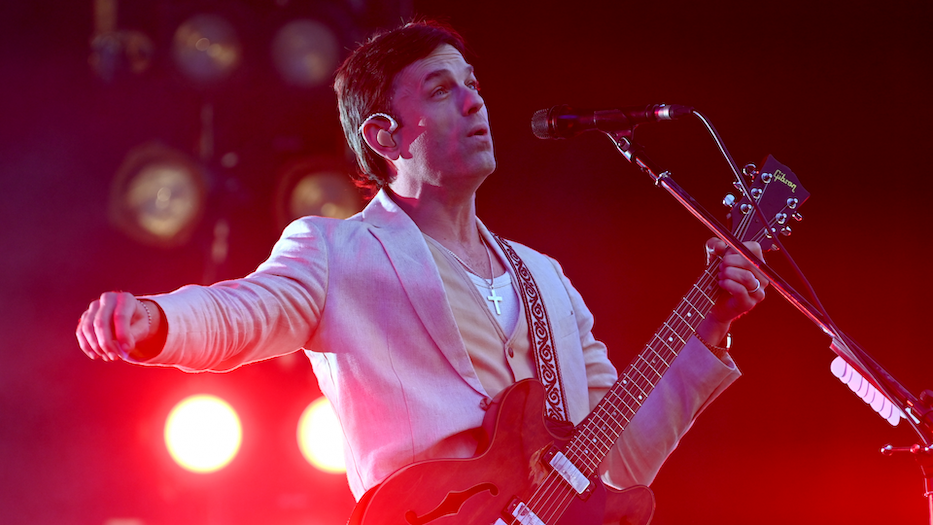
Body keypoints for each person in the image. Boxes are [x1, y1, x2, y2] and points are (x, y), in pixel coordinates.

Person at [76, 19, 767, 512]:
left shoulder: (546, 278)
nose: (474, 101)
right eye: (441, 91)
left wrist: (709, 329)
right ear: (383, 135)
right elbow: (244, 310)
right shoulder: (336, 250)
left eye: (472, 85)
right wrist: (157, 318)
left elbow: (621, 456)